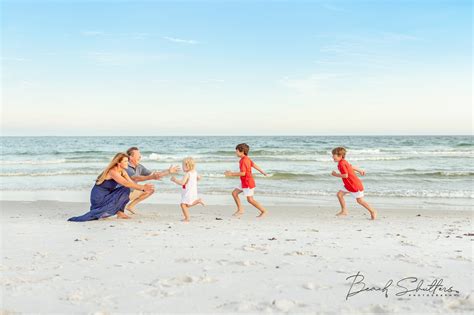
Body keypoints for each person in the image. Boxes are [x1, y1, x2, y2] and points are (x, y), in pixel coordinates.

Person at [68, 153, 154, 222]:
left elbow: (130, 183)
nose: (127, 163)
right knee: (125, 188)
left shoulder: (122, 171)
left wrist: (143, 189)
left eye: (127, 161)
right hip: (98, 198)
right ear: (118, 163)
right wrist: (142, 187)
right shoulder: (113, 171)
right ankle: (119, 212)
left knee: (125, 190)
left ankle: (120, 213)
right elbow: (125, 183)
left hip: (107, 194)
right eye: (125, 161)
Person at [125, 147, 180, 214]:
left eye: (140, 155)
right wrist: (151, 177)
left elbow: (154, 175)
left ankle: (130, 206)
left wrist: (168, 171)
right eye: (138, 155)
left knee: (150, 190)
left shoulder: (139, 167)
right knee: (144, 187)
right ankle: (119, 206)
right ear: (130, 157)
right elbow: (136, 178)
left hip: (132, 192)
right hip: (122, 193)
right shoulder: (126, 167)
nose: (140, 157)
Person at [331, 147, 377, 220]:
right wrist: (360, 170)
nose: (332, 157)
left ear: (340, 156)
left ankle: (372, 211)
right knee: (339, 195)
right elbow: (351, 167)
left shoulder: (341, 164)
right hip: (348, 184)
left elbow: (345, 175)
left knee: (360, 201)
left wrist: (335, 175)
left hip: (353, 184)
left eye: (334, 155)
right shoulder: (343, 161)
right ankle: (344, 211)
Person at [224, 143, 268, 218]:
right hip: (244, 181)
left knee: (250, 200)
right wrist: (262, 171)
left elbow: (243, 173)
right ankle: (240, 210)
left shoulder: (244, 161)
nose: (236, 152)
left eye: (237, 151)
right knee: (234, 193)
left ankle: (264, 211)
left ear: (242, 151)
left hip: (248, 182)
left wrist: (231, 174)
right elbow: (254, 165)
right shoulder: (246, 159)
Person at [170, 157, 204, 222]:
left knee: (183, 204)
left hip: (188, 191)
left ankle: (187, 218)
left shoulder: (187, 174)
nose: (182, 167)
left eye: (183, 166)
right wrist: (194, 181)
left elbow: (182, 183)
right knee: (187, 205)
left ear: (187, 166)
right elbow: (199, 178)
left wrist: (175, 180)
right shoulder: (195, 172)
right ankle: (198, 201)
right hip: (192, 190)